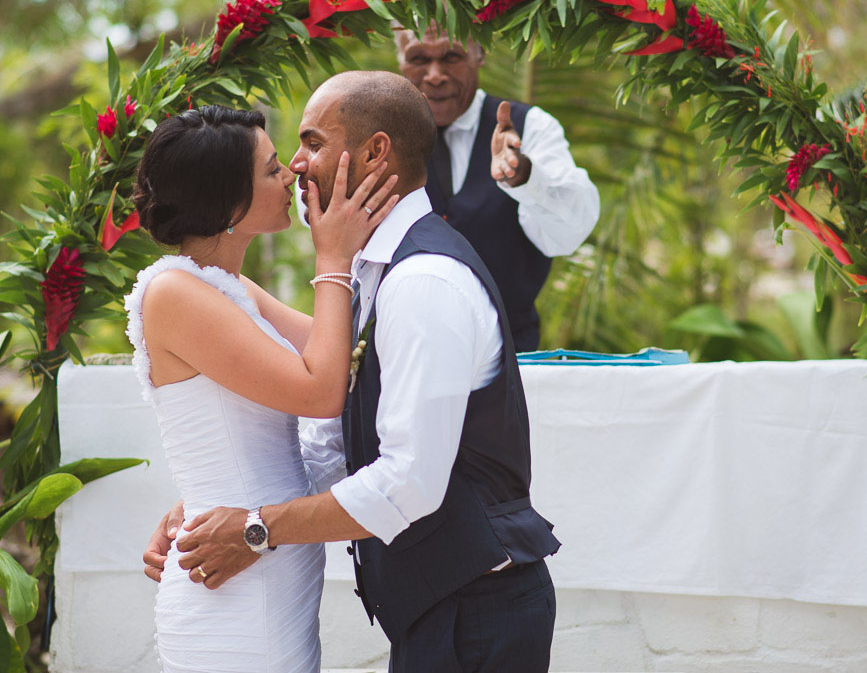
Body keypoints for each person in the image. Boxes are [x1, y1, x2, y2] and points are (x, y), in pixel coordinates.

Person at [149, 71, 561, 672]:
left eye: (312, 143)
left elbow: (406, 484)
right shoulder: (374, 271)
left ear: (374, 153)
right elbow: (334, 440)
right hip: (441, 612)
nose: (295, 165)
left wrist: (254, 527)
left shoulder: (422, 282)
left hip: (476, 612)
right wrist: (212, 506)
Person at [127, 104, 398, 673]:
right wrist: (333, 257)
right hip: (234, 595)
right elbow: (320, 391)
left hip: (267, 564)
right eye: (273, 170)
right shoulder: (175, 294)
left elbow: (344, 356)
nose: (293, 175)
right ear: (229, 203)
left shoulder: (227, 286)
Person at [393, 24, 600, 351]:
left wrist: (525, 176)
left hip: (508, 355)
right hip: (399, 349)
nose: (434, 75)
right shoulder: (379, 131)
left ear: (479, 54)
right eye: (418, 59)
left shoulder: (530, 126)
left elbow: (571, 231)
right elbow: (317, 212)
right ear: (400, 61)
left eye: (451, 57)